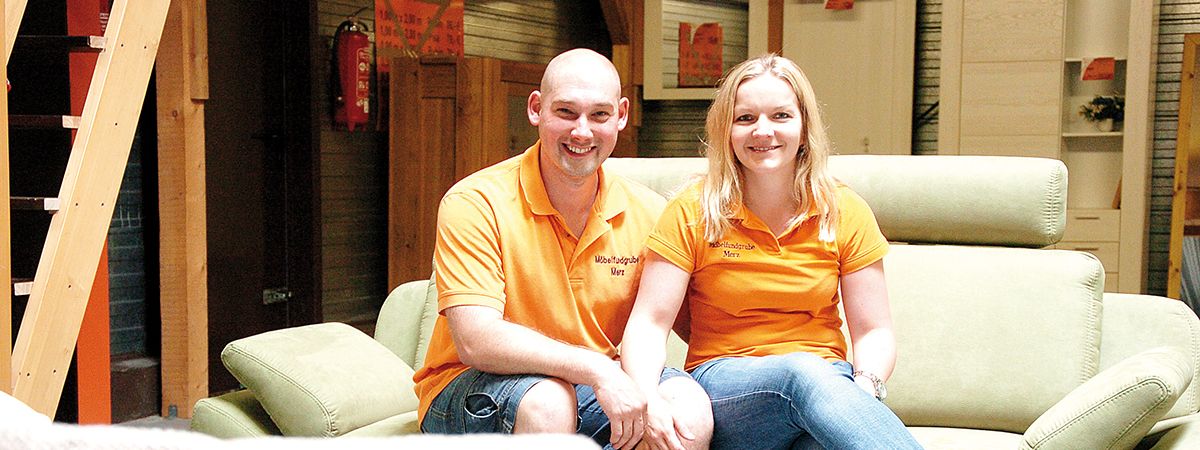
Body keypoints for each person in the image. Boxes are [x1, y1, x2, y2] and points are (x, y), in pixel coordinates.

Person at [413, 48, 713, 450]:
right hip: (470, 385)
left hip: (593, 383)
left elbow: (695, 322)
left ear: (621, 115)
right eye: (566, 112)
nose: (582, 132)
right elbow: (476, 340)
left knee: (688, 411)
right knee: (549, 401)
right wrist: (597, 370)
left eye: (600, 115)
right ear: (536, 109)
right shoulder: (476, 202)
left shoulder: (649, 212)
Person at [620, 54, 922, 450]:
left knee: (818, 433)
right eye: (745, 118)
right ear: (726, 130)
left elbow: (874, 330)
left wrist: (864, 388)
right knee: (801, 374)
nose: (763, 131)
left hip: (826, 383)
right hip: (727, 386)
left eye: (781, 116)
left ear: (804, 127)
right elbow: (649, 323)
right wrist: (648, 398)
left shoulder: (843, 209)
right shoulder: (693, 211)